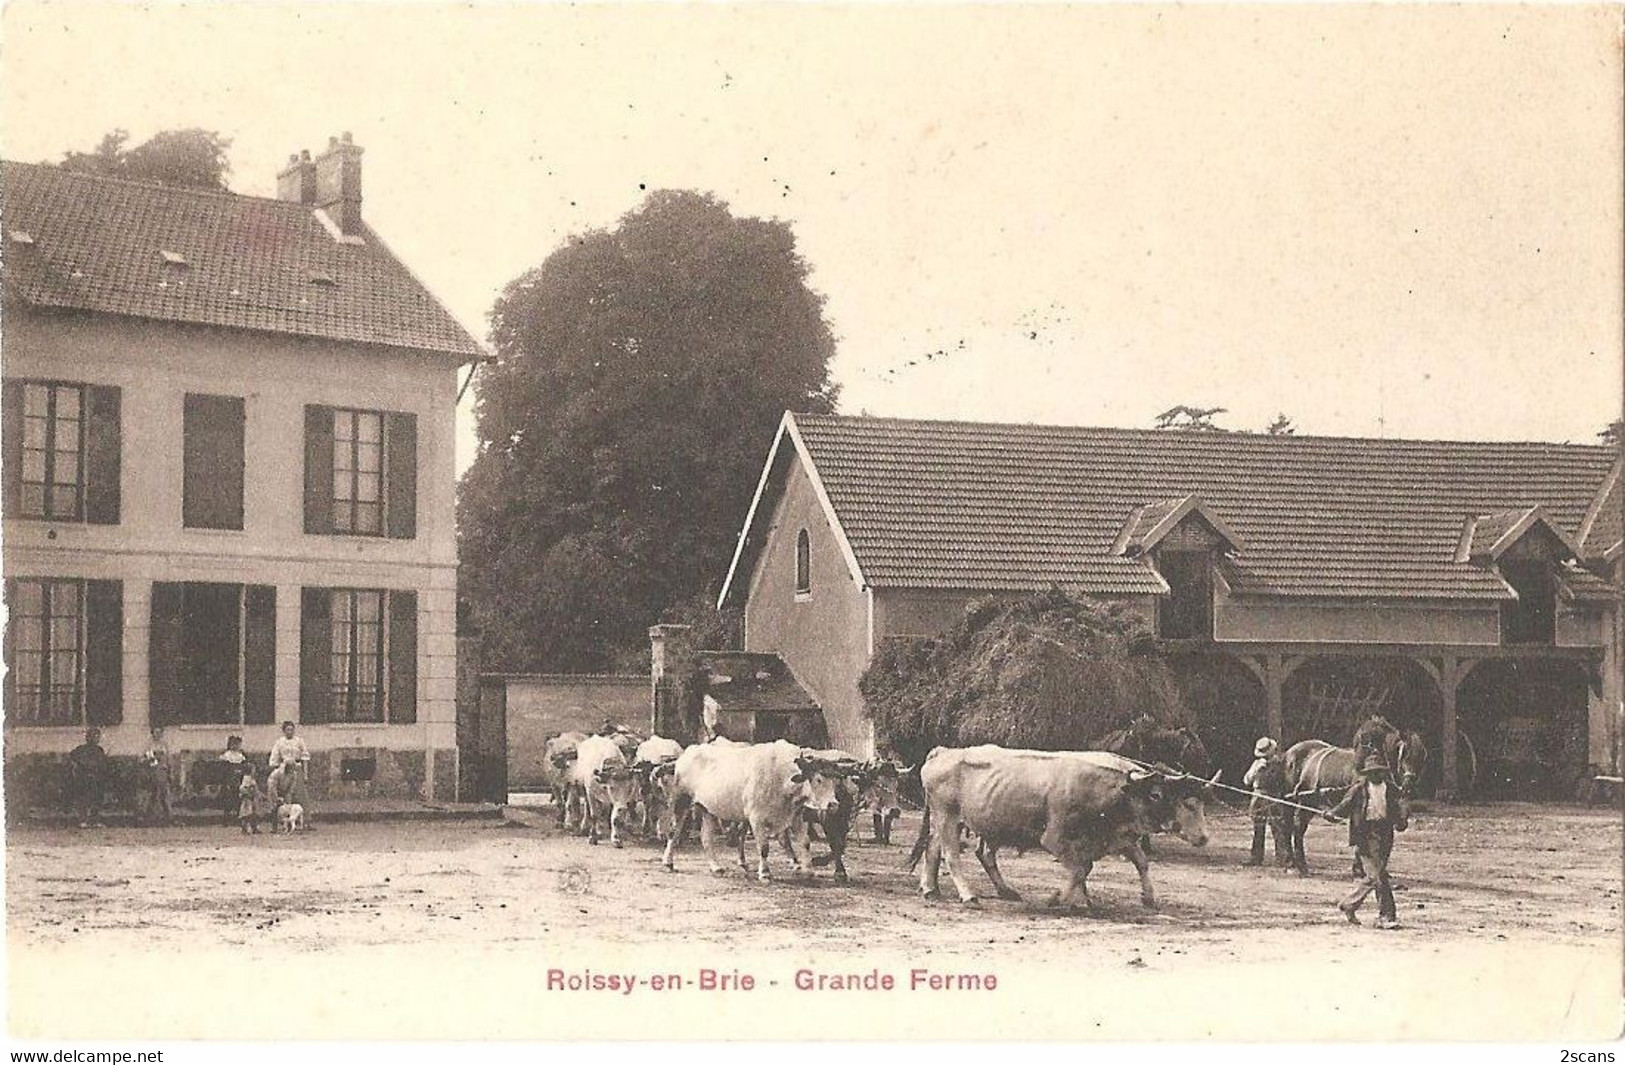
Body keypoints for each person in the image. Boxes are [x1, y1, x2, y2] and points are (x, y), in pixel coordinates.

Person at [1325, 753, 1409, 929]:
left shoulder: (1391, 789)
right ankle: (1387, 916)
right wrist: (1332, 814)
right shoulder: (1359, 789)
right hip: (1365, 835)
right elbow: (1344, 806)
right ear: (1367, 774)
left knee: (1376, 877)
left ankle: (1350, 905)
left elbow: (1400, 807)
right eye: (1372, 772)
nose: (1376, 775)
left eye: (1378, 772)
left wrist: (1402, 820)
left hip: (1385, 834)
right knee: (1377, 876)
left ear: (1383, 773)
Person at [1241, 736, 1289, 868]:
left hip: (1273, 797)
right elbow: (1246, 781)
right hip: (1258, 796)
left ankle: (1283, 859)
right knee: (1258, 828)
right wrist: (1256, 771)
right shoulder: (1257, 764)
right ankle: (1256, 858)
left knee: (1278, 828)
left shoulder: (1279, 763)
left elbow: (1283, 781)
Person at [66, 727, 109, 828]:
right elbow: (73, 759)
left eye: (97, 737)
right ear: (87, 738)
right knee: (83, 799)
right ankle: (83, 820)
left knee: (97, 799)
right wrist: (77, 769)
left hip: (96, 778)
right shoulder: (80, 749)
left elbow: (102, 763)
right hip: (83, 777)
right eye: (93, 736)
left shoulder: (99, 750)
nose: (96, 739)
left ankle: (94, 819)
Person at [267, 721, 311, 819]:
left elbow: (305, 758)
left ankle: (305, 821)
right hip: (285, 770)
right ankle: (286, 819)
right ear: (284, 731)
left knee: (300, 795)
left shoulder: (299, 741)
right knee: (286, 795)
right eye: (288, 730)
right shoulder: (279, 742)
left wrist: (305, 775)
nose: (290, 732)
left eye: (292, 729)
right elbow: (275, 757)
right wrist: (277, 771)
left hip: (297, 768)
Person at [140, 725, 174, 825]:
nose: (157, 735)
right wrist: (152, 761)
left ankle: (167, 816)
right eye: (155, 732)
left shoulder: (164, 745)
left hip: (163, 772)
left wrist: (170, 773)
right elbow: (143, 758)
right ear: (152, 733)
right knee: (153, 794)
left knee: (164, 794)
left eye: (159, 732)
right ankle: (151, 816)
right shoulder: (149, 745)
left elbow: (169, 759)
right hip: (153, 772)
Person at [217, 735, 250, 826]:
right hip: (229, 780)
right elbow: (223, 770)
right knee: (228, 801)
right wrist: (226, 781)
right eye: (233, 744)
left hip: (239, 780)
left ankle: (238, 819)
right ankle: (225, 820)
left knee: (239, 800)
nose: (235, 746)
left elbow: (245, 768)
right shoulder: (226, 756)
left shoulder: (241, 756)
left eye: (237, 744)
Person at [237, 766, 262, 835]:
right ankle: (244, 829)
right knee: (247, 814)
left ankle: (254, 828)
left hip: (253, 797)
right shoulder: (247, 778)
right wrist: (248, 794)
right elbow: (242, 788)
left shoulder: (252, 778)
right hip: (248, 798)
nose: (255, 771)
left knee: (254, 813)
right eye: (253, 769)